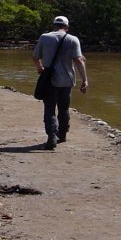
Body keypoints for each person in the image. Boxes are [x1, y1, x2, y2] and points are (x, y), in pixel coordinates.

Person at [33, 15, 88, 149]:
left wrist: (40, 68)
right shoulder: (73, 39)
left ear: (54, 25)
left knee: (50, 109)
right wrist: (84, 80)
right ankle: (62, 134)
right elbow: (79, 61)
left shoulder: (44, 37)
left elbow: (35, 56)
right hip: (67, 81)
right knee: (64, 108)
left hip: (50, 80)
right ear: (67, 27)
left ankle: (51, 137)